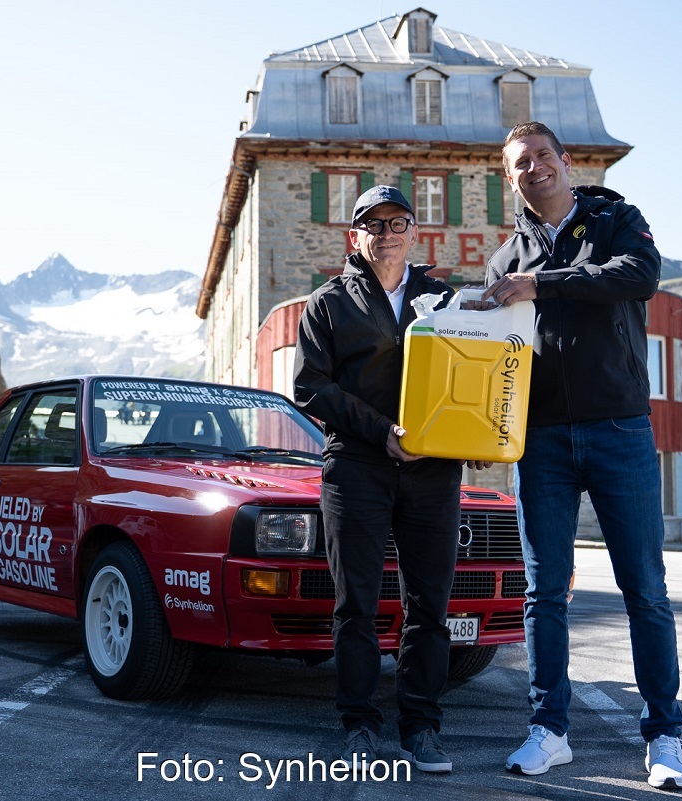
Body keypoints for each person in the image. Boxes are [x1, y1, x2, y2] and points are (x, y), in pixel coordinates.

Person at [482, 121, 682, 790]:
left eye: (543, 155)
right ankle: (549, 730)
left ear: (565, 161)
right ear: (509, 177)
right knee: (543, 592)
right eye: (521, 163)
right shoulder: (502, 259)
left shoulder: (616, 219)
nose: (534, 168)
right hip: (540, 440)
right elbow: (496, 358)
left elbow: (640, 276)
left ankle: (665, 738)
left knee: (645, 589)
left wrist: (542, 283)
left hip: (618, 428)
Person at [294, 185, 488, 774]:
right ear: (355, 236)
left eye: (397, 222)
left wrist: (475, 435)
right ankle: (358, 723)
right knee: (356, 604)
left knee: (429, 605)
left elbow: (472, 370)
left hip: (432, 471)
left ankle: (421, 728)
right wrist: (380, 432)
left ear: (414, 232)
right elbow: (310, 387)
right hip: (357, 467)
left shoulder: (444, 299)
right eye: (373, 224)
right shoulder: (328, 303)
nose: (386, 233)